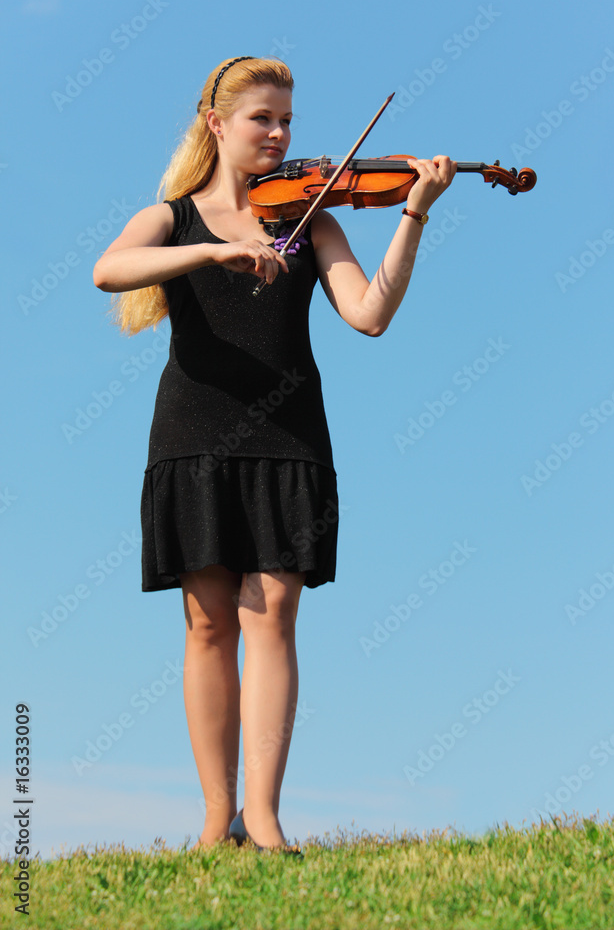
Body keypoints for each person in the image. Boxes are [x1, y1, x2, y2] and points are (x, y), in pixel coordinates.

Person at [93, 55, 456, 853]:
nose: (280, 134)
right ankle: (213, 817)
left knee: (274, 615)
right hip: (193, 431)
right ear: (217, 124)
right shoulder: (172, 218)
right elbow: (108, 271)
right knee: (206, 626)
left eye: (287, 119)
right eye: (263, 118)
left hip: (288, 432)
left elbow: (368, 314)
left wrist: (413, 213)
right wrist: (209, 253)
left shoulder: (312, 216)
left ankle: (261, 816)